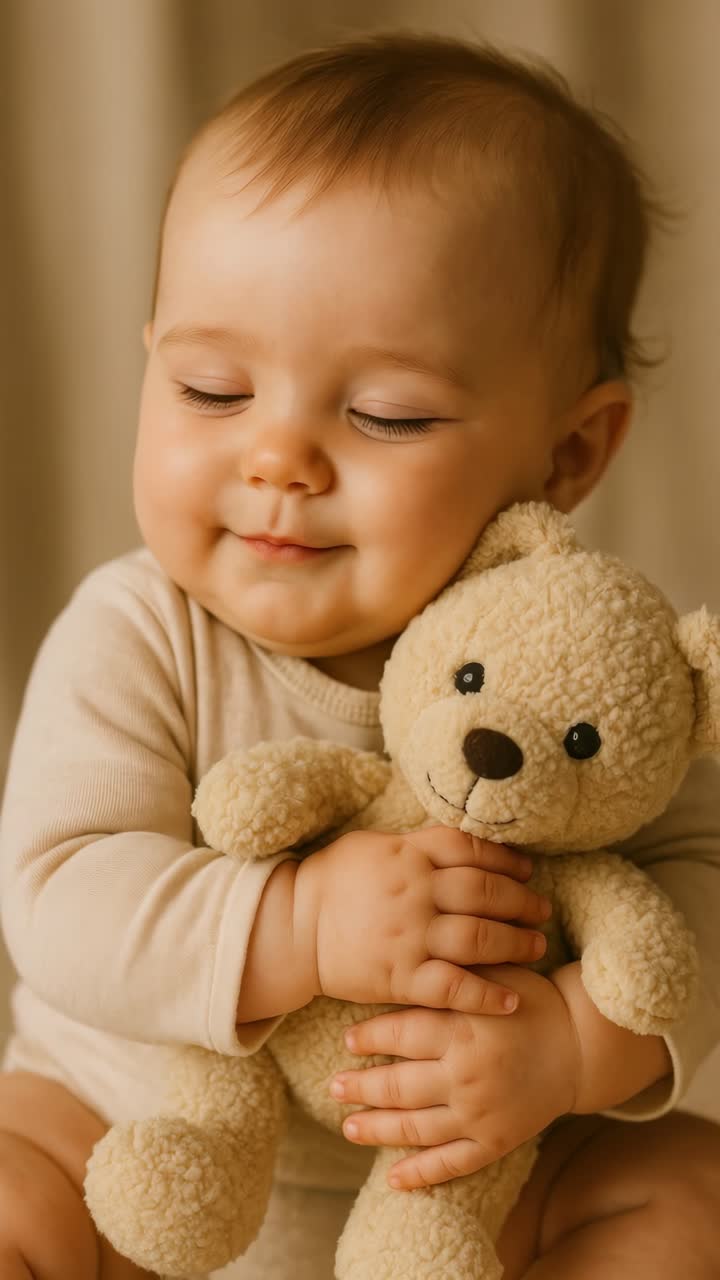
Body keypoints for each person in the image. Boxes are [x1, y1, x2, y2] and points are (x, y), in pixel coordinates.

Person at [0, 29, 718, 1280]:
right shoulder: (138, 629)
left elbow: (700, 896)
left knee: (689, 1196)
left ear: (566, 456)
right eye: (212, 391)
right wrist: (300, 922)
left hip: (475, 1180)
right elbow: (60, 898)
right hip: (129, 1133)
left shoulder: (589, 672)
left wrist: (572, 1044)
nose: (276, 458)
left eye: (384, 414)